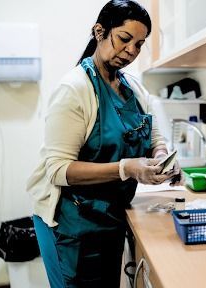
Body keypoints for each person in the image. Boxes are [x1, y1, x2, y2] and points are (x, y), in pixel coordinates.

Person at [26, 1, 182, 286]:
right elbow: (59, 170)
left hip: (110, 216)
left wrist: (162, 159)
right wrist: (126, 168)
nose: (131, 52)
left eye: (139, 44)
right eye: (124, 39)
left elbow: (154, 138)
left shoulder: (133, 89)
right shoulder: (75, 89)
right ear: (99, 31)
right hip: (70, 223)